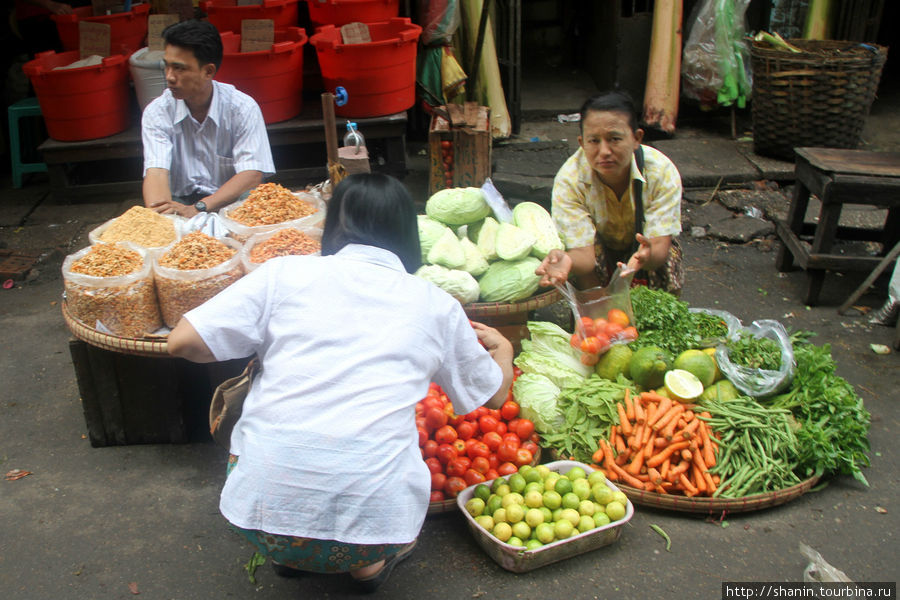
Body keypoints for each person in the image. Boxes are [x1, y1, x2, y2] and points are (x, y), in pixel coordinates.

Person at [167, 173, 514, 592]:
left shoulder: (282, 275)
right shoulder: (434, 303)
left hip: (257, 518)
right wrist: (506, 352)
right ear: (407, 232)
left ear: (333, 227)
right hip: (375, 531)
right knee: (386, 491)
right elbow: (493, 397)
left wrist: (262, 351)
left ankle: (286, 552)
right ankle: (366, 568)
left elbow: (181, 342)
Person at [536, 90, 684, 295]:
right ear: (581, 143)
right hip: (598, 246)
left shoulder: (661, 172)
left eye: (614, 139)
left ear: (636, 138)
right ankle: (595, 318)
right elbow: (585, 254)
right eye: (594, 141)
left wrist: (648, 256)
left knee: (667, 260)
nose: (604, 151)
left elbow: (659, 246)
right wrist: (568, 259)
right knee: (593, 303)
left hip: (646, 244)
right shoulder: (569, 180)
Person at [141, 20, 274, 218]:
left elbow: (252, 173)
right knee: (163, 212)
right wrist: (161, 216)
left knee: (253, 198)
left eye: (179, 68)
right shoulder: (157, 112)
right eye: (166, 66)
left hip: (231, 201)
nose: (169, 77)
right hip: (182, 198)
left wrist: (198, 208)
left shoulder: (242, 108)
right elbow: (156, 171)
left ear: (208, 71)